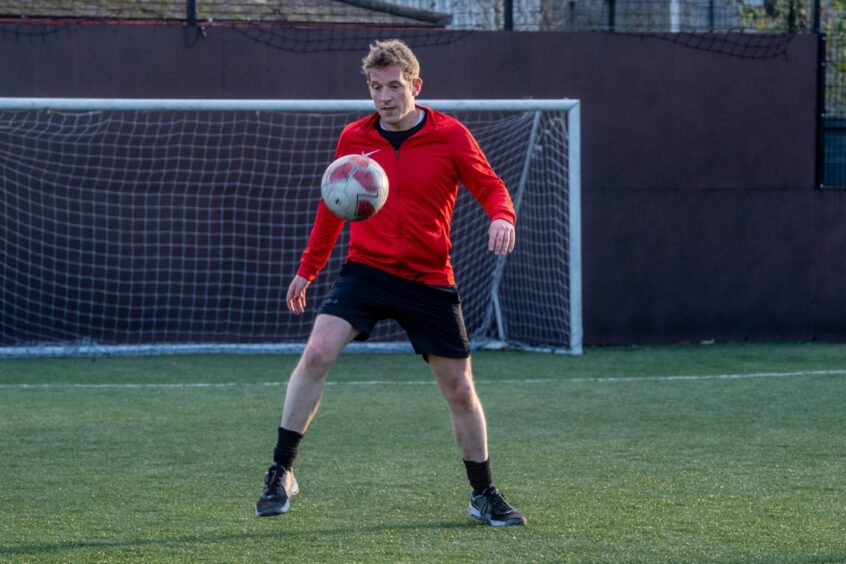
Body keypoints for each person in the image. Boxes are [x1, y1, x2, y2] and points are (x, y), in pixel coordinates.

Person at [256, 38, 525, 527]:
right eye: (376, 87)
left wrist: (501, 216)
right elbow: (330, 208)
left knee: (461, 389)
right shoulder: (353, 139)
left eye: (394, 86)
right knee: (316, 351)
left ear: (415, 86)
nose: (385, 97)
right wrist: (308, 269)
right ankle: (281, 471)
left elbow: (489, 185)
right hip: (367, 271)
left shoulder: (450, 135)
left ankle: (482, 493)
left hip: (428, 279)